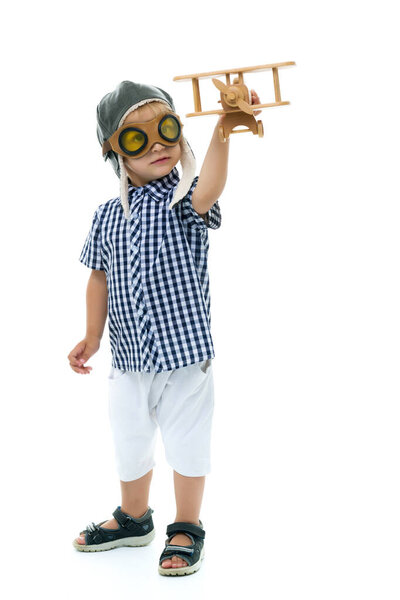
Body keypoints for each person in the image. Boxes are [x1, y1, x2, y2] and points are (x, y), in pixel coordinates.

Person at [68, 80, 261, 576]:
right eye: (137, 138)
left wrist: (223, 129)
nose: (157, 145)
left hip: (185, 356)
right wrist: (93, 335)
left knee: (188, 442)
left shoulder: (185, 198)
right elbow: (98, 275)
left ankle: (187, 525)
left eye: (167, 131)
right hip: (129, 357)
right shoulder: (107, 215)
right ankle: (134, 517)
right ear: (114, 149)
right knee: (129, 442)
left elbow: (212, 184)